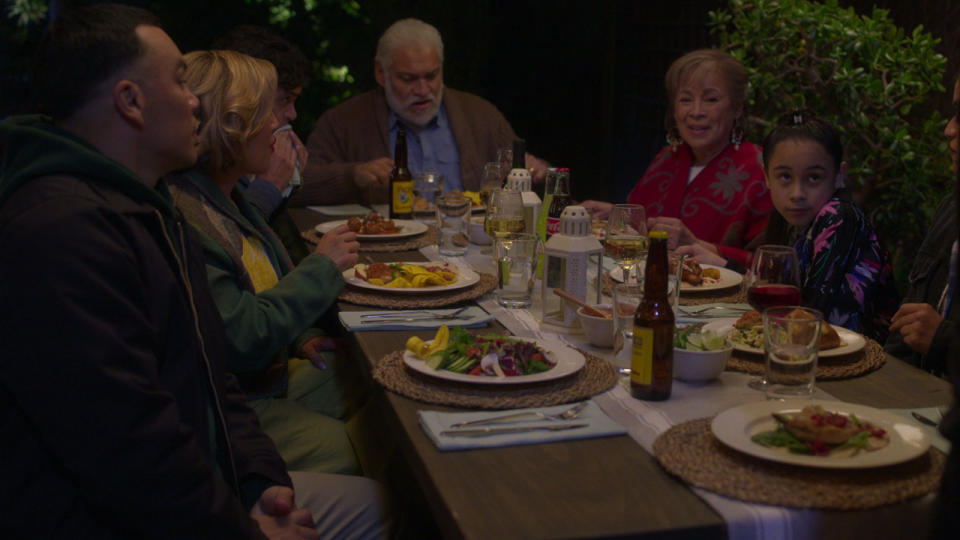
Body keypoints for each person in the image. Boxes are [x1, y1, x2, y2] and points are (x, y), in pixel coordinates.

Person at [0, 4, 388, 538]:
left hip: (203, 490)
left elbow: (212, 379)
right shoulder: (58, 234)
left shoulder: (147, 207)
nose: (195, 104)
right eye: (182, 82)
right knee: (387, 504)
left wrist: (261, 480)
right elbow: (129, 452)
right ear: (131, 103)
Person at [165, 50, 365, 475]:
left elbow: (261, 284)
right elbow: (241, 338)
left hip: (268, 381)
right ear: (228, 125)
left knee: (377, 379)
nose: (278, 123)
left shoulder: (226, 196)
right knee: (354, 449)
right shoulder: (188, 215)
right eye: (265, 111)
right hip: (236, 405)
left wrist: (301, 336)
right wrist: (322, 267)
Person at [683, 112, 899, 340]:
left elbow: (810, 314)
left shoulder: (838, 215)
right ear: (766, 176)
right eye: (785, 177)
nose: (797, 194)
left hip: (865, 358)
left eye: (814, 177)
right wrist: (719, 262)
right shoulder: (799, 223)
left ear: (839, 175)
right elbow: (775, 289)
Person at [294, 17, 549, 206]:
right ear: (381, 74)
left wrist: (537, 173)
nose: (423, 89)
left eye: (431, 75)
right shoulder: (344, 122)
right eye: (409, 78)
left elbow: (530, 177)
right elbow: (296, 186)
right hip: (384, 258)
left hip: (469, 250)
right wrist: (351, 175)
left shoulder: (480, 115)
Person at [582, 49, 772, 265]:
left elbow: (770, 264)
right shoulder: (668, 159)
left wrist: (696, 243)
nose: (696, 111)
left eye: (711, 99)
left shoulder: (760, 169)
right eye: (685, 100)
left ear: (736, 108)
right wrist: (618, 215)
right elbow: (646, 230)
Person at [885, 77, 960, 377]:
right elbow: (905, 328)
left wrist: (945, 340)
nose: (949, 129)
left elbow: (930, 333)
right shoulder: (951, 208)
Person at [212, 25, 311, 221]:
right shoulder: (207, 171)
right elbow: (233, 240)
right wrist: (270, 186)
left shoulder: (243, 166)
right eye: (285, 99)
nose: (292, 114)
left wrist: (287, 185)